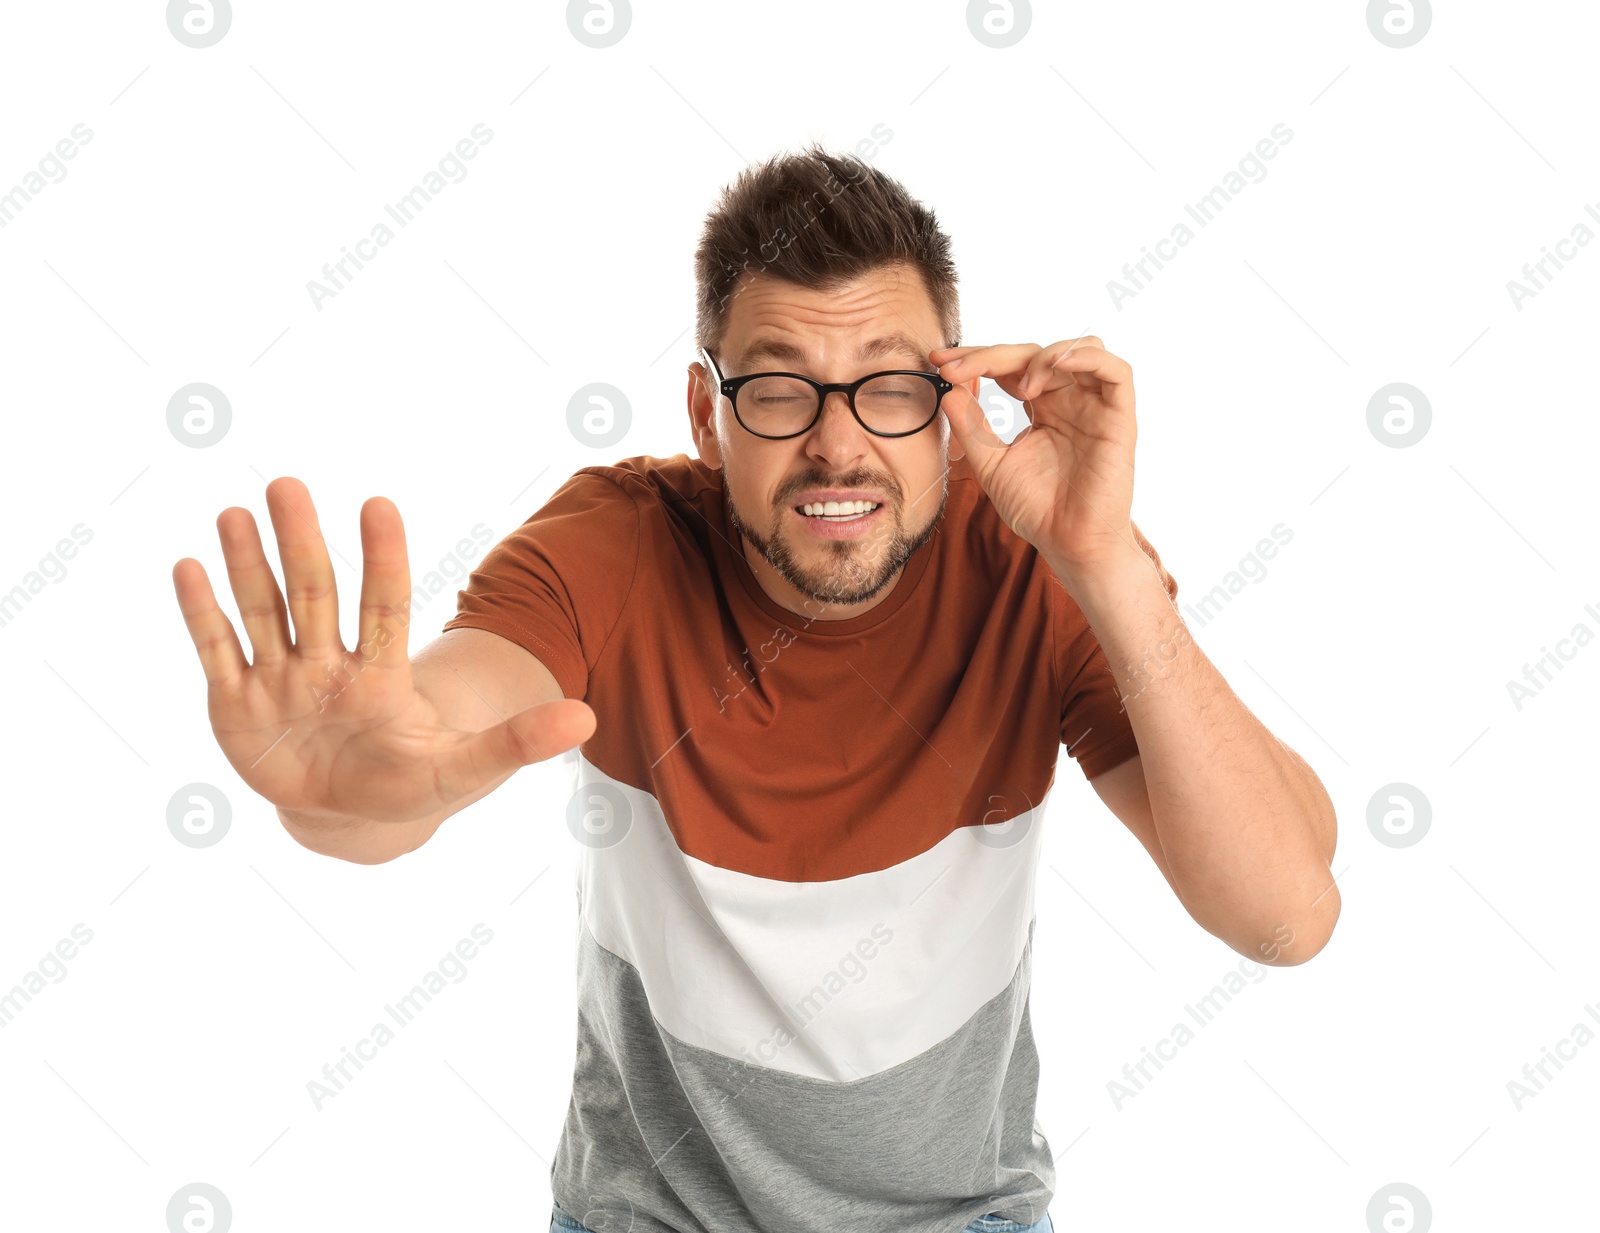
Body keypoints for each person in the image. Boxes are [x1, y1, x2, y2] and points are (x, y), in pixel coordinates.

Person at [172, 143, 1340, 1233]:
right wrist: (342, 786)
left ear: (952, 412)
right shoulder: (616, 545)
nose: (837, 446)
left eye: (888, 387)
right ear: (704, 415)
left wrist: (1106, 568)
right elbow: (414, 751)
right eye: (778, 392)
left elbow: (1284, 917)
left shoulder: (1036, 572)